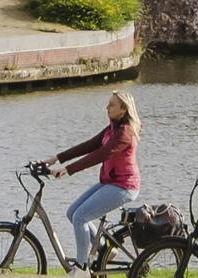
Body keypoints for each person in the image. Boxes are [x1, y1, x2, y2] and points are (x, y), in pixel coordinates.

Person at [38, 90, 141, 265]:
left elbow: (101, 154)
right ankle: (104, 249)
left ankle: (81, 266)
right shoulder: (112, 128)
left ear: (123, 110)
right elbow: (89, 146)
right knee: (72, 213)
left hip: (124, 187)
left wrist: (68, 170)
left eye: (112, 105)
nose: (107, 107)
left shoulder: (125, 133)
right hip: (110, 182)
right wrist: (56, 158)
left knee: (80, 217)